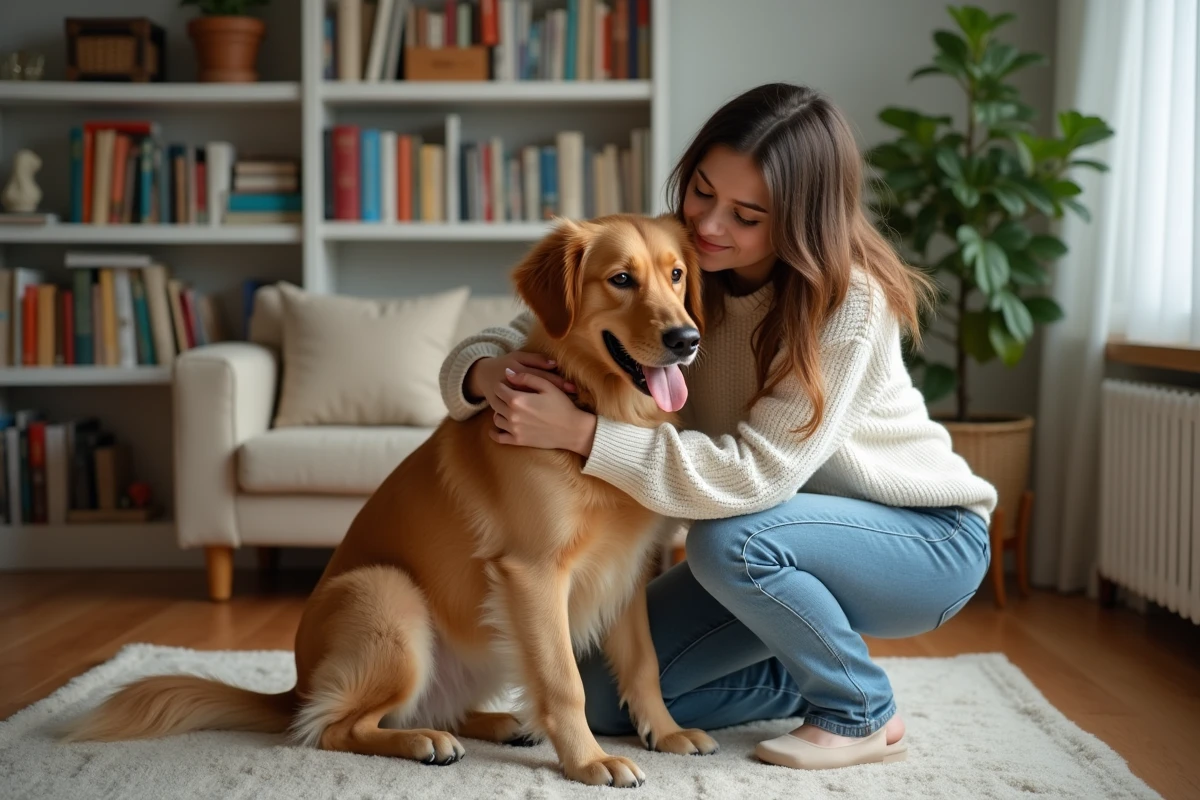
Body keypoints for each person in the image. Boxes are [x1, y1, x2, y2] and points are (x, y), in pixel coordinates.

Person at [436, 82, 997, 771]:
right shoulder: (672, 255)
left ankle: (860, 709)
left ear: (800, 220)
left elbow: (753, 479)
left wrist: (584, 435)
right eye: (702, 191)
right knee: (607, 696)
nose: (710, 226)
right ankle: (805, 672)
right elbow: (520, 331)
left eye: (747, 214)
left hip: (922, 539)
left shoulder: (848, 301)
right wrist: (486, 374)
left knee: (728, 539)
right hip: (781, 539)